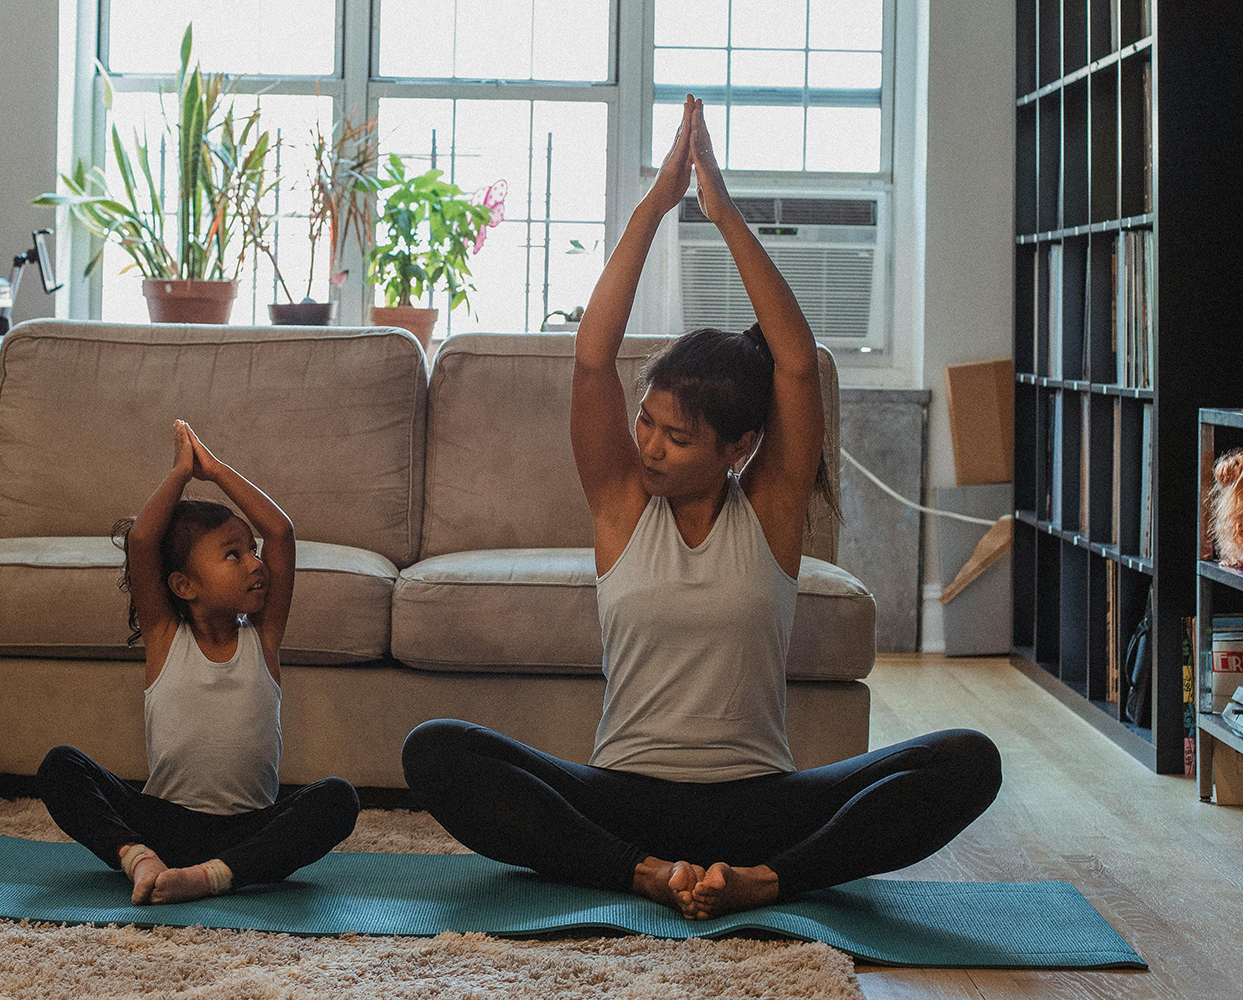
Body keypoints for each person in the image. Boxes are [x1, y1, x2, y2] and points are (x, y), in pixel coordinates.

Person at [401, 96, 1001, 920]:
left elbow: (795, 364)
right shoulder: (620, 504)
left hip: (759, 805)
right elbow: (590, 359)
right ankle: (642, 873)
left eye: (675, 438)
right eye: (645, 422)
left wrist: (722, 214)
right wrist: (655, 205)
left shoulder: (771, 510)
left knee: (969, 758)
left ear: (738, 446)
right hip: (621, 796)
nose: (647, 446)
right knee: (435, 752)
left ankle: (767, 881)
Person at [36, 419, 359, 905]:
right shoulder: (166, 638)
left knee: (337, 799)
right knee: (61, 766)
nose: (255, 564)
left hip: (251, 829)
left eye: (251, 551)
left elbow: (281, 532)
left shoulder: (264, 639)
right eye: (233, 555)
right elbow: (143, 542)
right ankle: (138, 859)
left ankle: (211, 876)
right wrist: (179, 475)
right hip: (163, 823)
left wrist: (215, 470)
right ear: (184, 586)